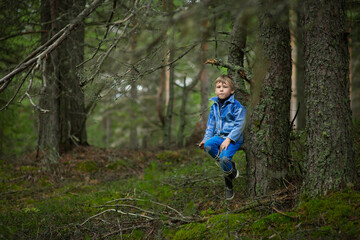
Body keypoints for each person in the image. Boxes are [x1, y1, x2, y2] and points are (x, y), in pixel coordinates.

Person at [199, 75, 246, 200]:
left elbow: (239, 125)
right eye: (218, 87)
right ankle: (231, 169)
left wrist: (228, 139)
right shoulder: (214, 107)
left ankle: (228, 185)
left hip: (233, 139)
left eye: (225, 87)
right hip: (219, 137)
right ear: (215, 90)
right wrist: (205, 139)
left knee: (224, 159)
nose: (221, 89)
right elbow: (211, 126)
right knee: (208, 146)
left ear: (232, 90)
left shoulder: (237, 106)